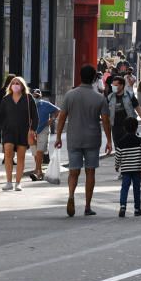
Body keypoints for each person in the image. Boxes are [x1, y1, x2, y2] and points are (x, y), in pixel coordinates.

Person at [55, 65, 112, 216]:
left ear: (80, 76)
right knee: (90, 171)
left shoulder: (70, 95)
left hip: (74, 137)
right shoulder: (99, 98)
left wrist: (59, 136)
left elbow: (62, 117)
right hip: (92, 138)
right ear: (94, 78)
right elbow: (106, 121)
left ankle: (71, 195)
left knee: (73, 171)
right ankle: (87, 205)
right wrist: (109, 140)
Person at [0, 76, 39, 192]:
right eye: (14, 83)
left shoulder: (28, 98)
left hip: (23, 132)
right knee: (8, 153)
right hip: (8, 131)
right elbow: (0, 117)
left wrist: (33, 129)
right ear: (10, 86)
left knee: (21, 157)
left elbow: (35, 116)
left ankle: (18, 182)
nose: (16, 85)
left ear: (22, 86)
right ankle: (8, 182)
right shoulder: (6, 99)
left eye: (18, 83)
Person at [115, 116, 141, 217]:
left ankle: (122, 206)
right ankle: (137, 208)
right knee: (136, 188)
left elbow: (118, 155)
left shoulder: (121, 142)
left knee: (124, 188)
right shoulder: (140, 141)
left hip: (125, 170)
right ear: (136, 128)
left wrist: (117, 165)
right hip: (136, 170)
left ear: (124, 128)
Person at [107, 76, 141, 146]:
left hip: (129, 127)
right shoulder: (110, 97)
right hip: (115, 128)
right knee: (118, 148)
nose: (113, 87)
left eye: (116, 85)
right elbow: (106, 114)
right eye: (112, 85)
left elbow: (138, 109)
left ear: (122, 85)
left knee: (130, 148)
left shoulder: (130, 95)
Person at [30, 89, 60, 180]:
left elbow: (57, 110)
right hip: (31, 130)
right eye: (34, 96)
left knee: (40, 151)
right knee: (35, 152)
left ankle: (37, 171)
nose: (36, 98)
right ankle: (39, 172)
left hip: (43, 129)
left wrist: (52, 119)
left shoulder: (46, 104)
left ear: (41, 96)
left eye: (38, 96)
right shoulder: (28, 106)